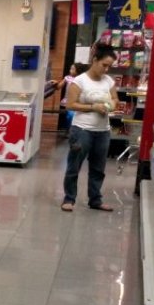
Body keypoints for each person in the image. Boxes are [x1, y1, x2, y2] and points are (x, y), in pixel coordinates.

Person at [61, 45, 119, 212]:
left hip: (103, 131)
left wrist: (111, 105)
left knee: (98, 168)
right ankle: (69, 198)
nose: (106, 69)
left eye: (109, 66)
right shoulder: (80, 81)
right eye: (104, 65)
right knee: (74, 165)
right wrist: (93, 107)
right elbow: (70, 105)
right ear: (95, 60)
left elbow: (115, 99)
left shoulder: (108, 81)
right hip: (82, 130)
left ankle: (95, 200)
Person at [57, 62, 88, 129]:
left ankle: (73, 128)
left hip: (78, 102)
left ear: (78, 70)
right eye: (70, 69)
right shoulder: (67, 78)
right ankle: (68, 129)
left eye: (72, 69)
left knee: (75, 116)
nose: (70, 71)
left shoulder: (82, 79)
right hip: (68, 101)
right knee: (69, 116)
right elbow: (59, 86)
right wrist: (55, 83)